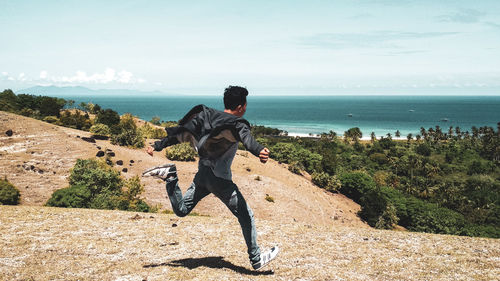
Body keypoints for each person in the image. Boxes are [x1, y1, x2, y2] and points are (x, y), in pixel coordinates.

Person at [142, 86, 279, 270]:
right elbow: (248, 140)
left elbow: (181, 134)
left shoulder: (205, 116)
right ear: (240, 106)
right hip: (220, 180)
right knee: (246, 216)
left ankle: (171, 177)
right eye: (245, 105)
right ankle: (256, 259)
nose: (245, 108)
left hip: (203, 175)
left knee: (182, 210)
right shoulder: (237, 124)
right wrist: (259, 150)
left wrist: (158, 145)